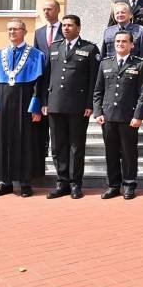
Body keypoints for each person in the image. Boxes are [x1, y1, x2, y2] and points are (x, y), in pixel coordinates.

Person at [0, 19, 45, 198]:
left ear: (24, 31)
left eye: (15, 29)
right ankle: (5, 182)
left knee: (26, 141)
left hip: (25, 104)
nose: (12, 32)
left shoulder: (36, 55)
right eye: (9, 29)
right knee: (3, 141)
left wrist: (36, 107)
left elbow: (40, 83)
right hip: (4, 103)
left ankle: (25, 182)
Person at [42, 15, 99, 200]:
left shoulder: (89, 49)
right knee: (58, 146)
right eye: (64, 25)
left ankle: (75, 184)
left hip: (78, 105)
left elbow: (94, 80)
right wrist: (44, 102)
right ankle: (62, 182)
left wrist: (90, 104)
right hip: (55, 104)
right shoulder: (54, 47)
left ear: (78, 28)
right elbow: (46, 77)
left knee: (76, 146)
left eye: (70, 25)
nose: (66, 28)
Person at [93, 30, 143, 200]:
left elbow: (142, 92)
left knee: (129, 152)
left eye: (124, 41)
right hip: (108, 115)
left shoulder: (139, 64)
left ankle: (129, 184)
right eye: (117, 41)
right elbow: (98, 91)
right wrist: (98, 112)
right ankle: (113, 185)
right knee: (111, 152)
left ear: (132, 45)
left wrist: (138, 115)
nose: (120, 44)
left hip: (128, 117)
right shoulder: (105, 63)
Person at [34, 0, 61, 160]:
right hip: (44, 79)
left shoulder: (65, 29)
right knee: (43, 117)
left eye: (49, 9)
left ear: (57, 10)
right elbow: (37, 57)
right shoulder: (39, 32)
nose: (46, 12)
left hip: (59, 77)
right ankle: (43, 149)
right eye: (44, 9)